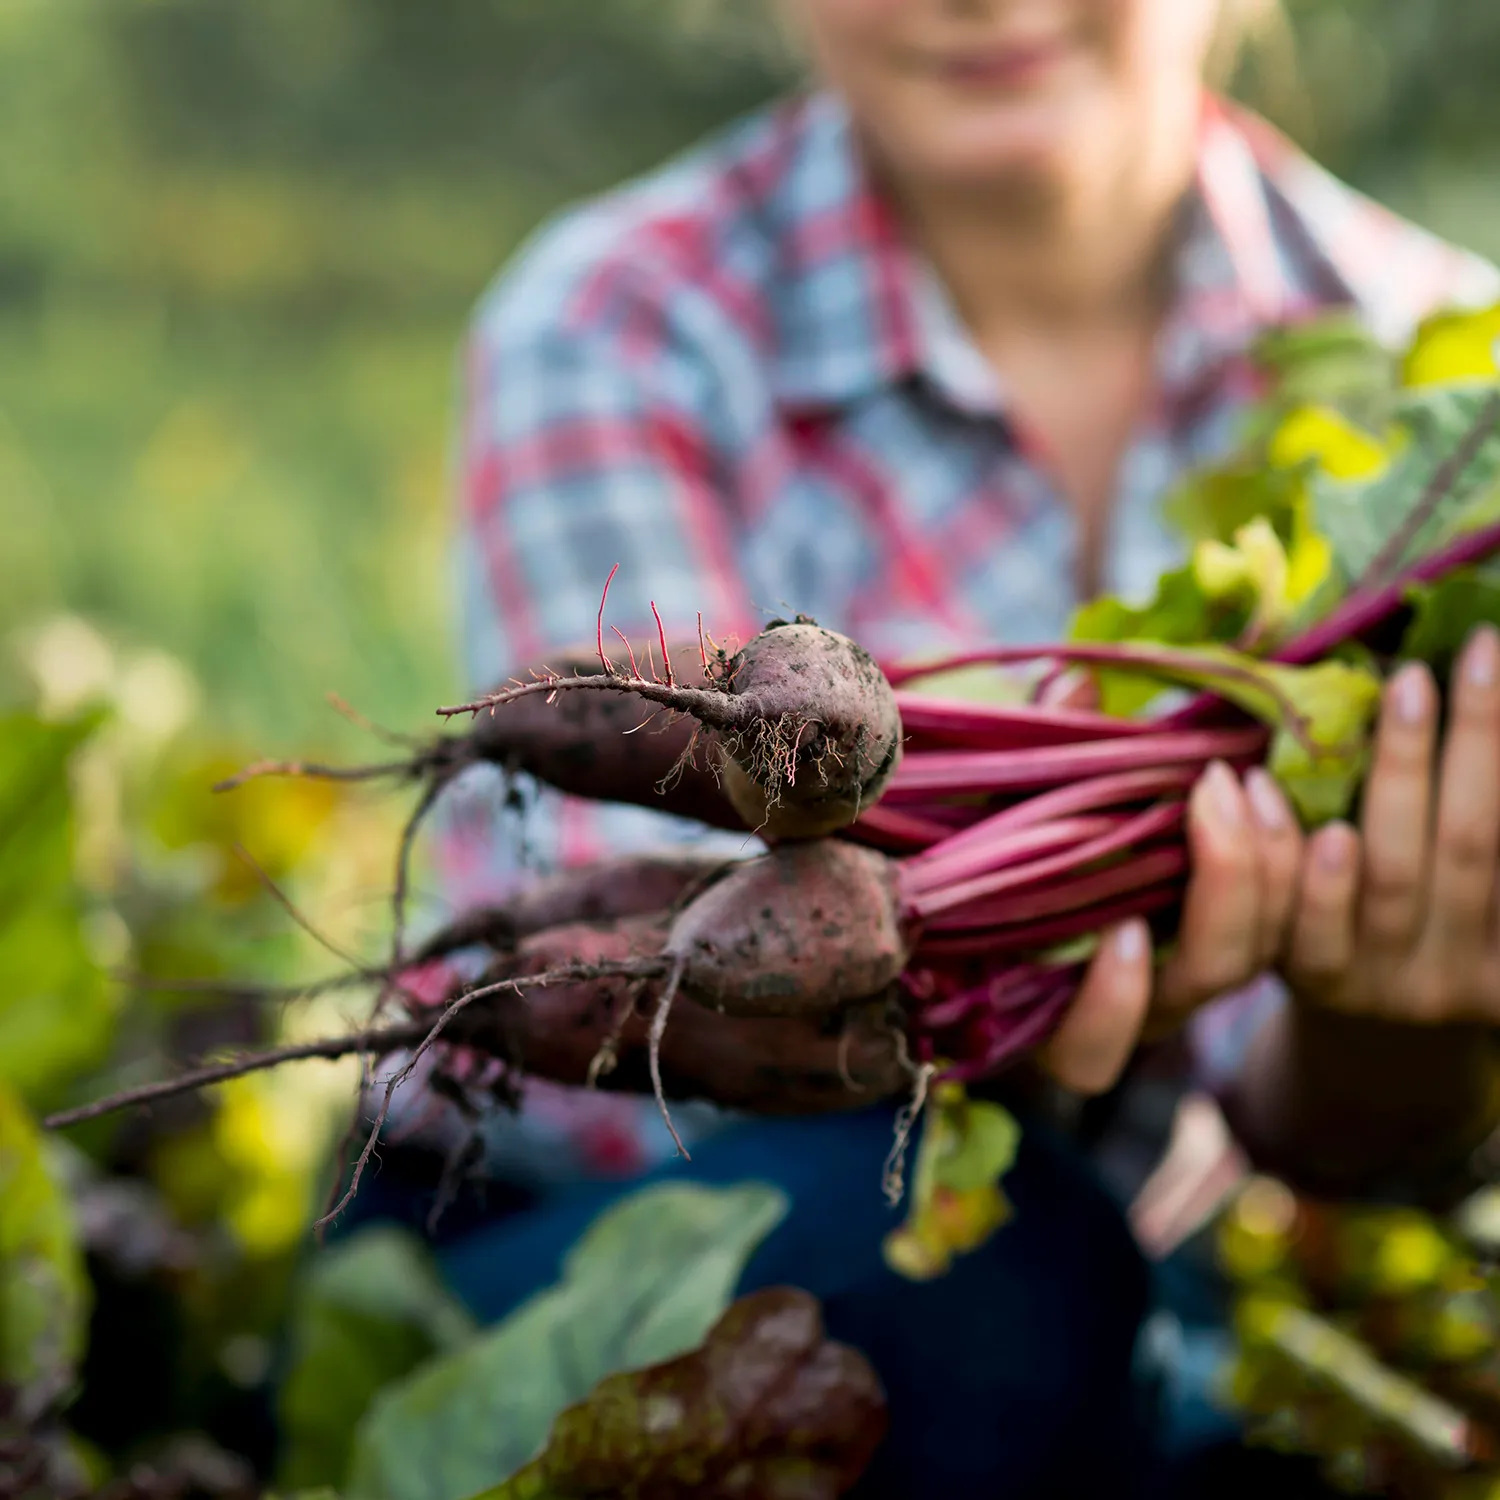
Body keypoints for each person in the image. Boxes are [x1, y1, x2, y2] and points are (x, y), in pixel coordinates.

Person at [415, 1, 1500, 1493]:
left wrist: (1399, 1030)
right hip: (575, 1238)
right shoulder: (621, 320)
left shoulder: (1434, 382)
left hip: (1142, 1278)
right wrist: (1034, 992)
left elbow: (1330, 1135)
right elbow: (679, 989)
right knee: (982, 1290)